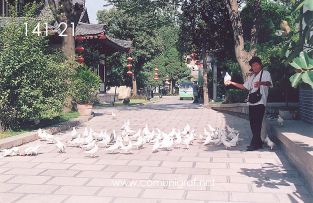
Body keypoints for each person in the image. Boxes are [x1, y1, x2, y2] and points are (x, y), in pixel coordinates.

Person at [225, 56, 273, 151]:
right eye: (253, 65)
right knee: (252, 123)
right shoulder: (252, 76)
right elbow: (244, 87)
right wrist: (231, 82)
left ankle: (254, 144)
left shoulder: (265, 73)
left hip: (260, 102)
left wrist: (261, 83)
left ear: (260, 65)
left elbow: (269, 83)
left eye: (256, 65)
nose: (255, 67)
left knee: (257, 124)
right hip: (252, 103)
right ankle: (258, 143)